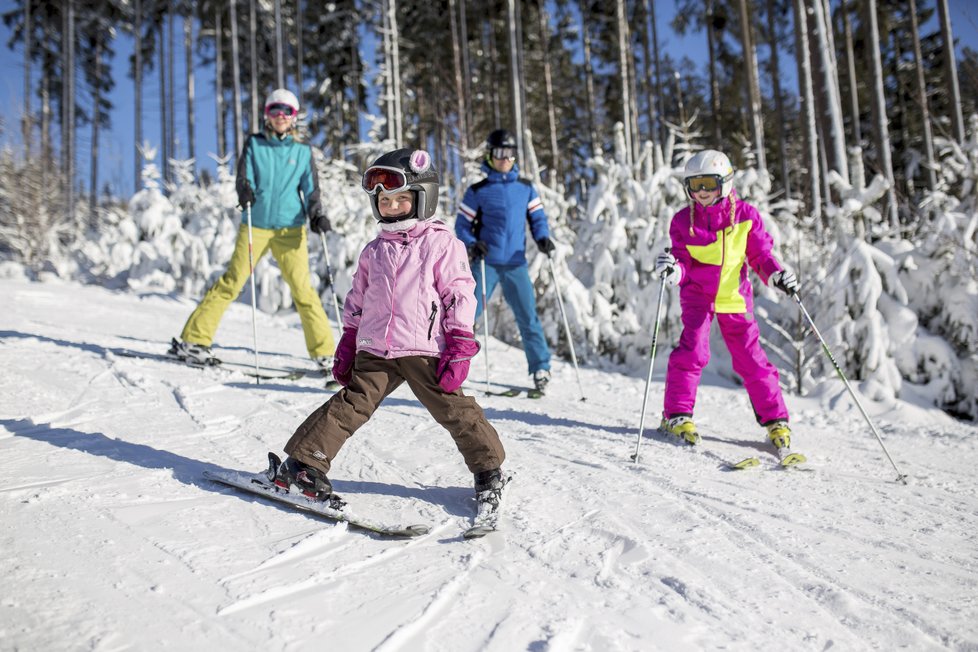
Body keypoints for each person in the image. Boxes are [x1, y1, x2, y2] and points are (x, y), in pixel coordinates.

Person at [269, 148, 507, 511]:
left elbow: (460, 292)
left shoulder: (441, 242)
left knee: (453, 409)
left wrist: (460, 342)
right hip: (375, 349)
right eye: (384, 201)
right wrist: (349, 339)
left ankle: (489, 471)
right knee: (350, 404)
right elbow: (358, 299)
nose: (392, 207)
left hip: (422, 348)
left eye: (400, 199)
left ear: (422, 198)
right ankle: (303, 465)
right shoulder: (374, 251)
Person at [169, 88, 336, 373]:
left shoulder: (302, 151)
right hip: (255, 225)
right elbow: (243, 176)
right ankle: (193, 340)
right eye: (275, 110)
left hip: (290, 229)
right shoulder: (254, 144)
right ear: (266, 115)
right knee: (232, 282)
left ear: (294, 117)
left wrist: (317, 214)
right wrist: (244, 190)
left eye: (287, 111)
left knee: (303, 291)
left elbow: (311, 191)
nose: (280, 116)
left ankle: (326, 354)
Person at [654, 149, 800, 457]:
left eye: (709, 183)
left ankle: (776, 419)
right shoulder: (683, 221)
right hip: (698, 295)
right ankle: (676, 415)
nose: (702, 192)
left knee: (750, 358)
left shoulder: (746, 216)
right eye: (695, 185)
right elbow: (682, 261)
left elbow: (760, 256)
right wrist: (672, 270)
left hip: (734, 296)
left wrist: (776, 277)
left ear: (726, 183)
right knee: (693, 349)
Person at [454, 129, 555, 394]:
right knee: (465, 317)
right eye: (500, 153)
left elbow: (538, 219)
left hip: (515, 263)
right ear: (490, 155)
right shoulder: (478, 191)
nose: (505, 159)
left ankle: (541, 368)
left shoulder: (525, 188)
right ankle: (453, 363)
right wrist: (472, 244)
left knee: (527, 316)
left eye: (510, 153)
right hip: (486, 263)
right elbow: (461, 226)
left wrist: (543, 238)